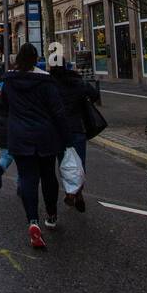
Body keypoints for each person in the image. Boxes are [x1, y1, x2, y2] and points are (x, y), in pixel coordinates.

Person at [0, 43, 70, 248]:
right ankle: (51, 214)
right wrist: (67, 139)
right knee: (48, 176)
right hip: (45, 136)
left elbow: (3, 107)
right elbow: (58, 112)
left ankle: (33, 221)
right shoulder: (46, 82)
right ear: (36, 59)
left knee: (28, 179)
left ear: (17, 59)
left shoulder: (9, 81)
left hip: (20, 137)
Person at [48, 63, 101, 213]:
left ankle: (70, 192)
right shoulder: (77, 81)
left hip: (58, 130)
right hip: (77, 128)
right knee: (79, 163)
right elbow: (95, 95)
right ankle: (77, 192)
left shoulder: (50, 84)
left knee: (64, 163)